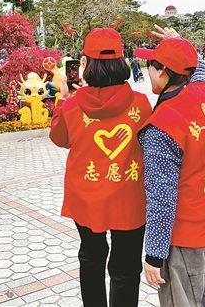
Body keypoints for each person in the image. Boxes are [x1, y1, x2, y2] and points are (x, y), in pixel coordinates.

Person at [134, 27, 205, 307]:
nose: (148, 72)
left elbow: (161, 195)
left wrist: (154, 255)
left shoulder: (162, 126)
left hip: (190, 236)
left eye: (151, 65)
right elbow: (201, 70)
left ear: (164, 72)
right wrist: (182, 43)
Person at [50, 28, 152, 307]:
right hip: (129, 198)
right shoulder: (141, 104)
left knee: (92, 258)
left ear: (86, 64)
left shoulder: (72, 106)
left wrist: (62, 99)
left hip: (86, 197)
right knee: (127, 267)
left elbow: (59, 139)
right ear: (121, 62)